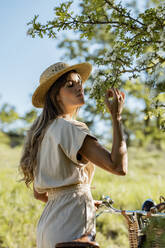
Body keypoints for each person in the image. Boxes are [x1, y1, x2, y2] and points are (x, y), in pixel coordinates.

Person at [19, 62, 128, 248]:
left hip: (48, 228)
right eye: (70, 85)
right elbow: (118, 167)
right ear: (55, 97)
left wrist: (81, 199)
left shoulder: (42, 133)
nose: (79, 86)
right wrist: (116, 117)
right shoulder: (70, 128)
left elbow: (39, 193)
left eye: (79, 82)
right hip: (71, 227)